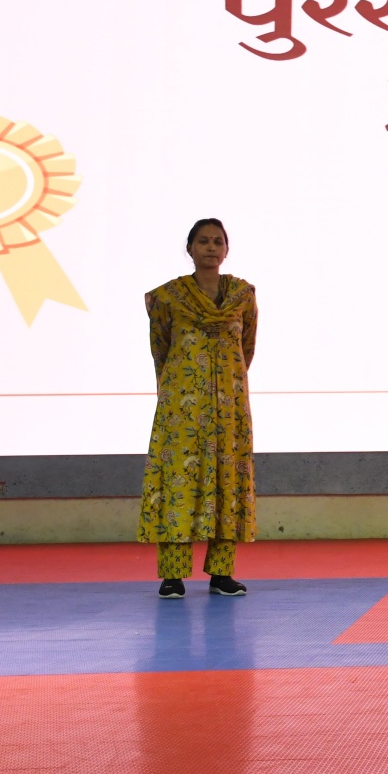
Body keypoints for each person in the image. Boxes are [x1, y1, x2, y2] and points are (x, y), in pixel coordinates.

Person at [138, 218, 258, 599]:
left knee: (227, 482)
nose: (210, 247)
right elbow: (160, 348)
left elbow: (247, 347)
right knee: (178, 482)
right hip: (182, 409)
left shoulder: (242, 296)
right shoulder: (169, 297)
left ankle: (221, 574)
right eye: (203, 241)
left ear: (226, 250)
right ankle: (172, 576)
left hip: (229, 408)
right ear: (189, 249)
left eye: (217, 242)